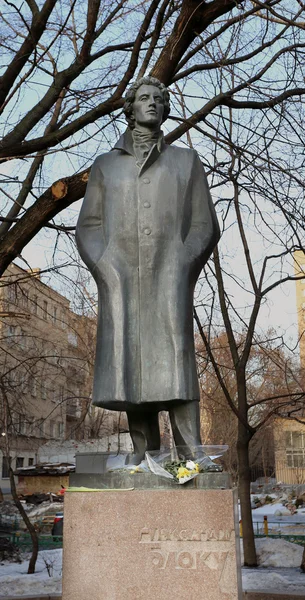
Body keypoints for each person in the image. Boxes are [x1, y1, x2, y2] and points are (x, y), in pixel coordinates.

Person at [76, 76, 220, 461]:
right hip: (121, 278)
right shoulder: (105, 165)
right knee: (131, 369)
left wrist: (183, 261)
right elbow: (88, 226)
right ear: (131, 108)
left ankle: (192, 457)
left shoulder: (185, 161)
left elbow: (205, 224)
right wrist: (105, 266)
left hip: (168, 273)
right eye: (144, 98)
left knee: (177, 362)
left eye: (159, 98)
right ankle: (146, 457)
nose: (152, 103)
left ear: (166, 108)